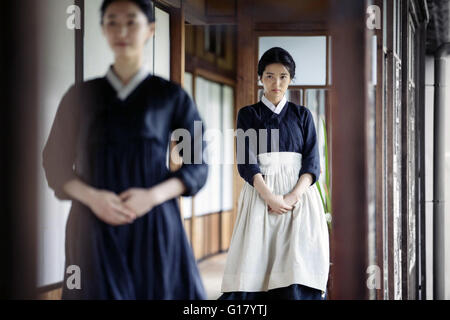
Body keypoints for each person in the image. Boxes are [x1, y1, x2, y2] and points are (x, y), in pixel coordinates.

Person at [42, 0, 208, 299]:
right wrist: (93, 198)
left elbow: (197, 164)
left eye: (132, 21)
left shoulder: (171, 97)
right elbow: (54, 163)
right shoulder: (79, 96)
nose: (122, 30)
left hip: (154, 223)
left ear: (150, 30)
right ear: (103, 30)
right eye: (112, 21)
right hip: (92, 224)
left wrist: (152, 197)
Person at [219, 47, 330, 300]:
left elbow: (312, 164)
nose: (276, 83)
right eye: (269, 76)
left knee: (296, 264)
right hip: (261, 196)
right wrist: (269, 197)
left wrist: (291, 198)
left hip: (299, 200)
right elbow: (246, 162)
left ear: (290, 79)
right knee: (255, 262)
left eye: (283, 76)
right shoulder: (248, 114)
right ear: (260, 78)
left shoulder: (303, 115)